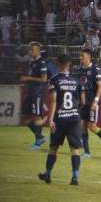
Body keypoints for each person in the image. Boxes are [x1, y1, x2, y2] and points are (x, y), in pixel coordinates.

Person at [37, 54, 84, 186]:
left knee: (53, 148)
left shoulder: (54, 80)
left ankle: (47, 174)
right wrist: (75, 110)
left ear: (58, 64)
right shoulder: (76, 80)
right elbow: (83, 101)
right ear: (69, 64)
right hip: (74, 118)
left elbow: (53, 101)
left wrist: (50, 119)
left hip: (60, 118)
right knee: (75, 149)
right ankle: (75, 178)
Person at [77, 48, 101, 158]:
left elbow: (100, 86)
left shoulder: (95, 70)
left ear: (88, 57)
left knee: (92, 126)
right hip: (83, 103)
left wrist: (95, 101)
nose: (80, 58)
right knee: (82, 125)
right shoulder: (80, 70)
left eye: (82, 56)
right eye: (80, 56)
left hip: (92, 102)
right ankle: (87, 152)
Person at [19, 42, 49, 150]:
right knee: (24, 118)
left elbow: (44, 79)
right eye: (29, 49)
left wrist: (28, 78)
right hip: (30, 92)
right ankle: (40, 137)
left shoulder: (42, 63)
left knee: (37, 116)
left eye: (32, 50)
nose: (30, 51)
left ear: (37, 51)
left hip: (37, 92)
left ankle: (38, 142)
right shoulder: (32, 62)